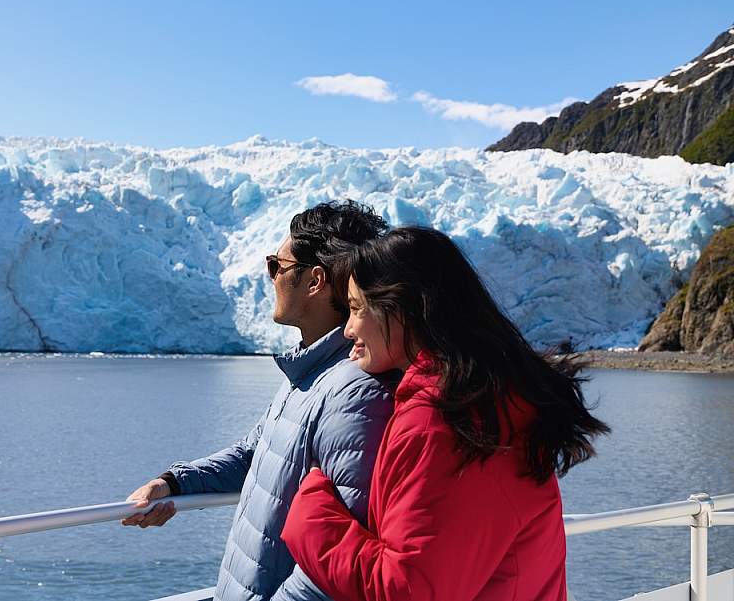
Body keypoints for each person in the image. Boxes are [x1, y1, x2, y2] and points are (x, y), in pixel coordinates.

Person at [281, 226, 610, 601]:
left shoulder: (442, 422)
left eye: (357, 308)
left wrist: (311, 515)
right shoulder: (490, 396)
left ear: (403, 308)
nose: (350, 328)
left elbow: (405, 591)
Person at [122, 200, 401, 601]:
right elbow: (256, 454)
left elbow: (341, 561)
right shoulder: (309, 374)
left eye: (277, 266)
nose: (271, 278)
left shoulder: (354, 393)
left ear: (314, 281)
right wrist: (173, 483)